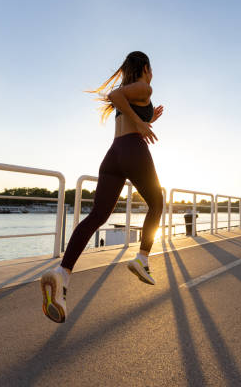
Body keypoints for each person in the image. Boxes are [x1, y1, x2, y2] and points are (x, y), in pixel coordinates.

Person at [40, 51, 164, 323]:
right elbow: (115, 96)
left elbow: (123, 107)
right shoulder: (144, 87)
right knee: (157, 203)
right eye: (151, 67)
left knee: (98, 216)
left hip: (113, 156)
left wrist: (148, 119)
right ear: (145, 67)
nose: (152, 72)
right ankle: (142, 258)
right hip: (132, 150)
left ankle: (62, 275)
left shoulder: (136, 92)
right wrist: (143, 123)